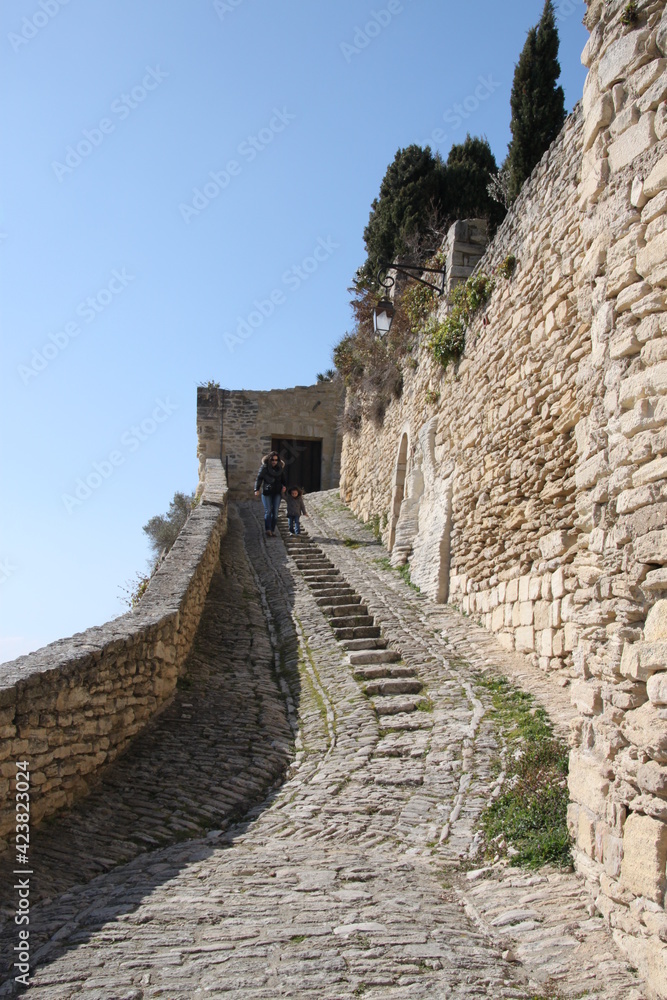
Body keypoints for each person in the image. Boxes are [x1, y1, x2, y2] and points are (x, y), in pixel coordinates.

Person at [254, 451, 287, 536]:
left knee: (275, 512)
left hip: (277, 492)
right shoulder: (264, 468)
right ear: (269, 459)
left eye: (276, 460)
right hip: (267, 492)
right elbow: (259, 478)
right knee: (268, 511)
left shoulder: (280, 468)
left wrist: (284, 486)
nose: (274, 461)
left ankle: (272, 530)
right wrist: (256, 489)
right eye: (272, 459)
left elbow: (283, 480)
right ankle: (268, 529)